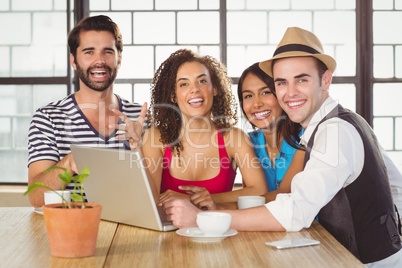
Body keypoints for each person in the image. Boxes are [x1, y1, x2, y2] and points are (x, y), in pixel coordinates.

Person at [163, 27, 402, 266]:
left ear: (325, 80)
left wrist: (203, 219)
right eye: (282, 83)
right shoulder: (328, 125)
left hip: (368, 262)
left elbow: (294, 210)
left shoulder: (335, 132)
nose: (290, 92)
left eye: (302, 79)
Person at [27, 15, 146, 208]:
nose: (99, 60)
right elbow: (36, 198)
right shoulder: (47, 118)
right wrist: (68, 164)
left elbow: (155, 192)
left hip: (129, 227)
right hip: (71, 229)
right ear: (74, 61)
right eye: (89, 52)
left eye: (108, 52)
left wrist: (138, 148)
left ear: (119, 59)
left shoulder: (140, 117)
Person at [136, 49, 269, 208]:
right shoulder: (156, 138)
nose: (195, 89)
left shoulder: (234, 138)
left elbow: (260, 191)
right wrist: (136, 146)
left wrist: (195, 199)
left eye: (202, 81)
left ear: (215, 88)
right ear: (173, 95)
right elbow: (149, 200)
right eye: (184, 84)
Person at [238, 62, 305, 202]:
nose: (257, 104)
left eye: (265, 92)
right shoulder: (247, 143)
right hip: (262, 222)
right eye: (248, 96)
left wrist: (222, 206)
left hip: (310, 224)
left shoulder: (306, 137)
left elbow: (285, 196)